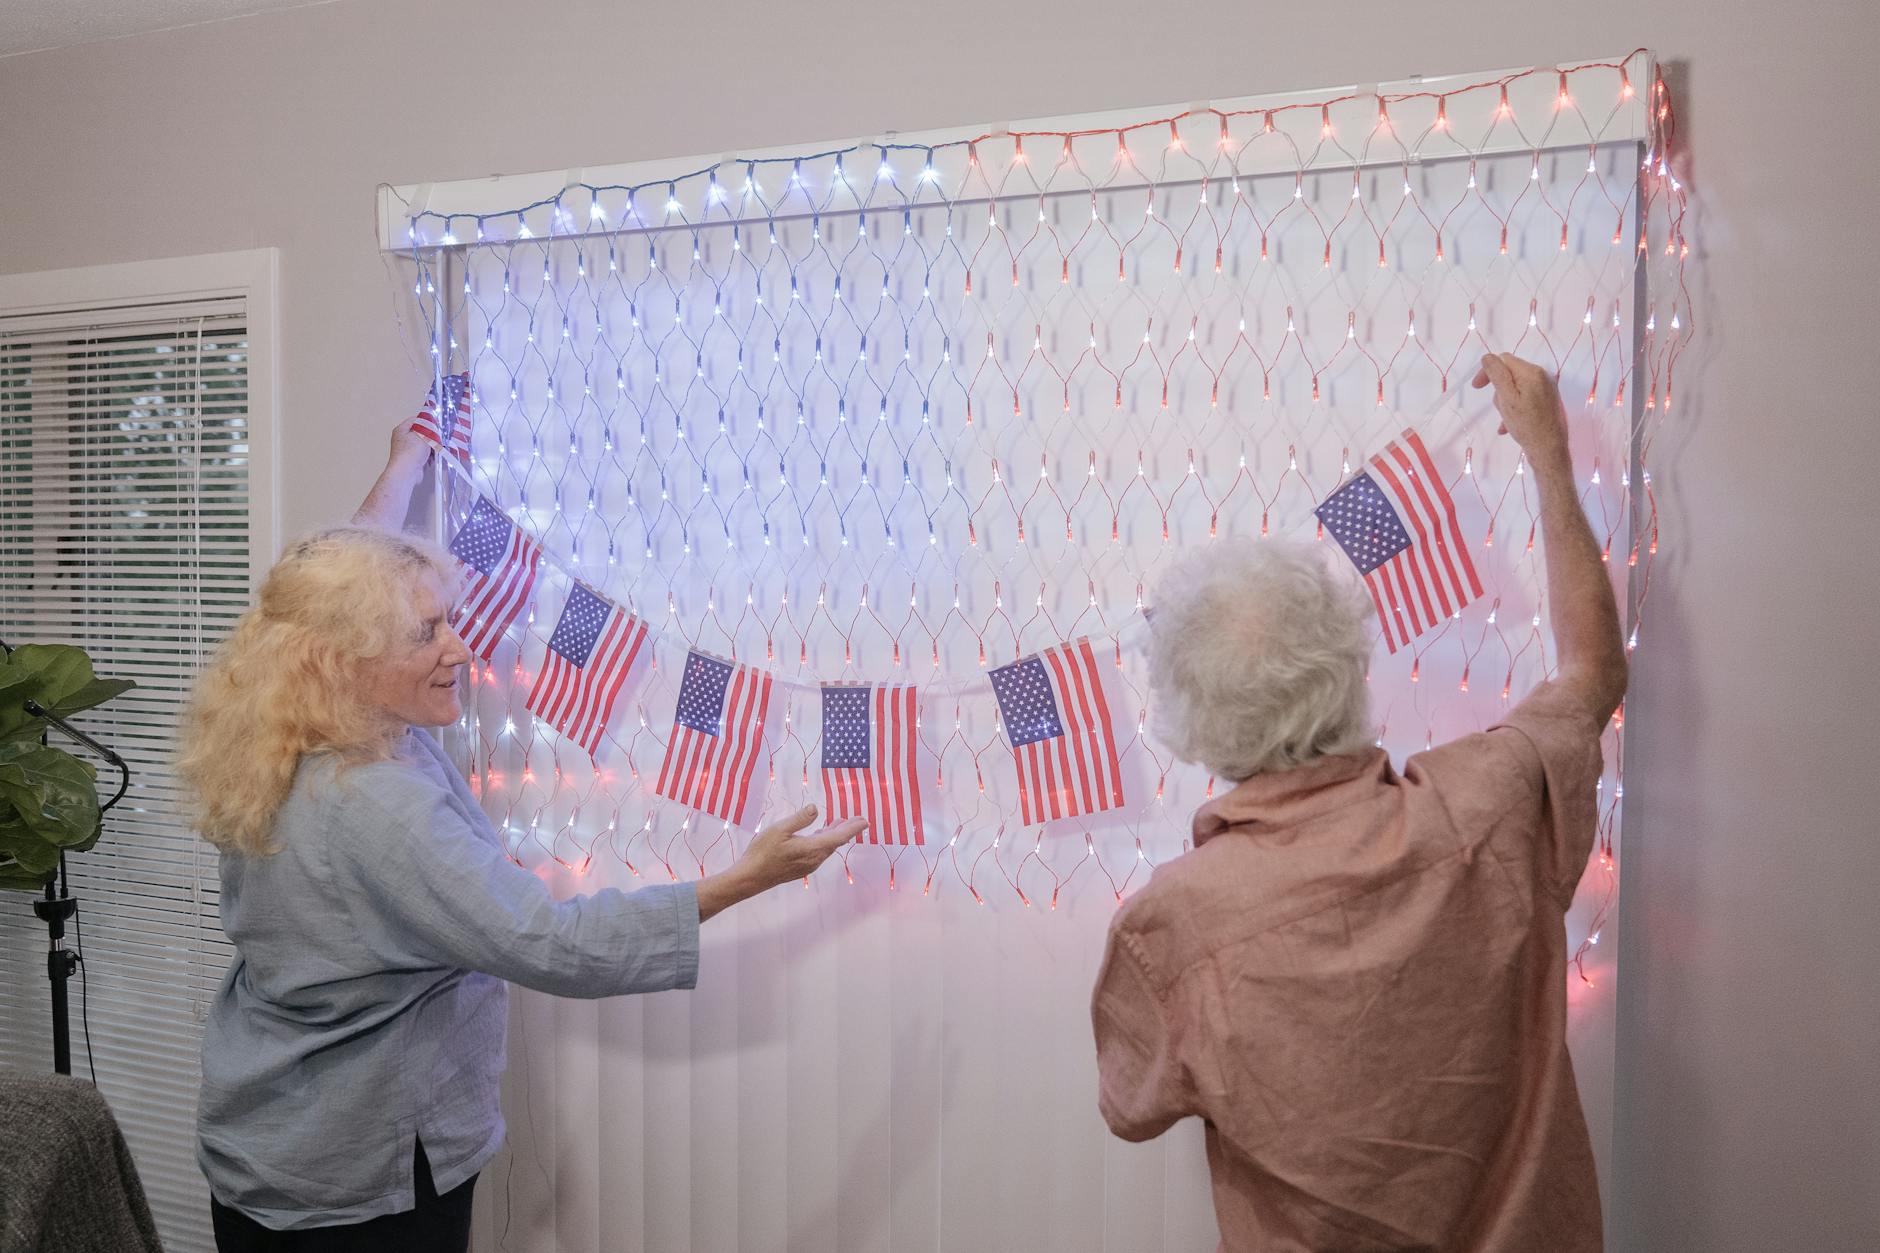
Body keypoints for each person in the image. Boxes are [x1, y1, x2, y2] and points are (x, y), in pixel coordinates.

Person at [180, 417, 864, 1251]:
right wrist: (744, 878)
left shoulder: (282, 724)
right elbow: (555, 943)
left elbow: (324, 580)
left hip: (269, 1144)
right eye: (426, 632)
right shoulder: (375, 802)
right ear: (345, 660)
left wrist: (404, 463)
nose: (461, 649)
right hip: (354, 1184)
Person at [1092, 352, 1626, 1252]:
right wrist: (1547, 457)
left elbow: (1132, 1106)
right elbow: (1593, 673)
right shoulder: (1492, 801)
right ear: (1348, 666)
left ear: (1188, 723)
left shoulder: (1168, 927)